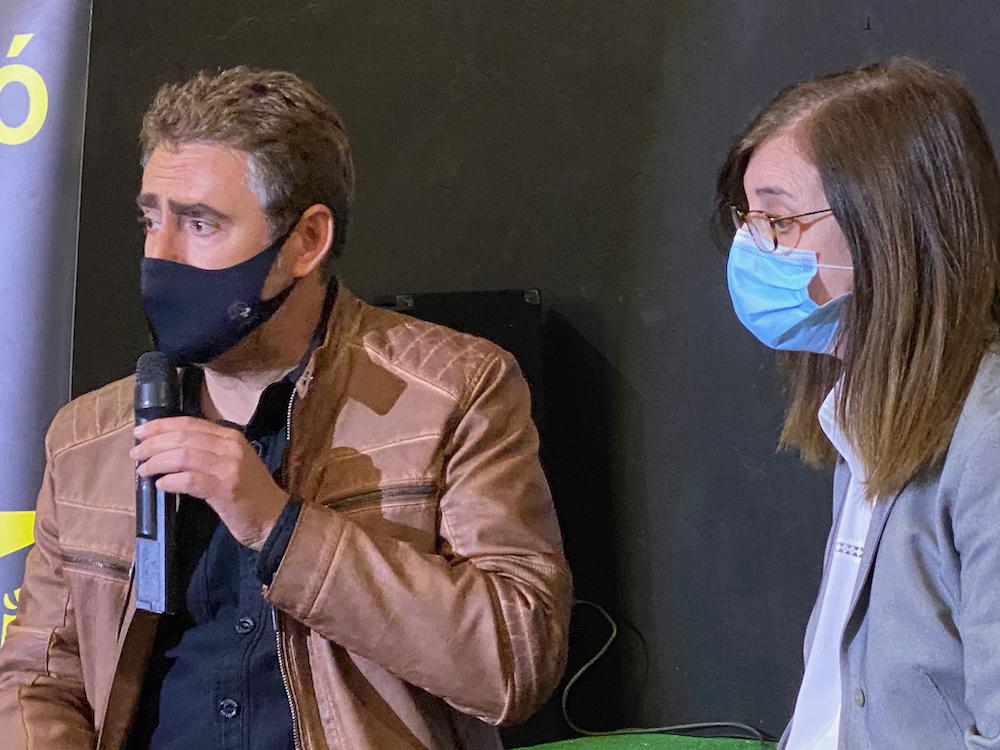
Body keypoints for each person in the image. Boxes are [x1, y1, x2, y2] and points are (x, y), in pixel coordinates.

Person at [0, 66, 572, 750]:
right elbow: (36, 680)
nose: (160, 255)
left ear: (306, 241)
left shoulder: (455, 392)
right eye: (151, 219)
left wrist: (278, 526)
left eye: (200, 223)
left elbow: (514, 662)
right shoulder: (87, 437)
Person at [716, 57, 1000, 749]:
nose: (753, 247)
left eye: (780, 219)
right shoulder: (866, 415)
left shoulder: (986, 439)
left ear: (888, 225)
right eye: (749, 219)